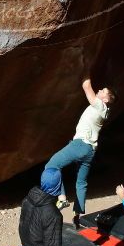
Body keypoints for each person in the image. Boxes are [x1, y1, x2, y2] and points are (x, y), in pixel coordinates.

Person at [46, 78, 115, 227]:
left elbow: (86, 86)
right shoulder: (105, 111)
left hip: (80, 145)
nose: (100, 91)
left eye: (103, 91)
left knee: (52, 165)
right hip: (90, 151)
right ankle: (78, 215)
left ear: (106, 99)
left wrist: (85, 66)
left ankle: (62, 197)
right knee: (81, 182)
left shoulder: (100, 105)